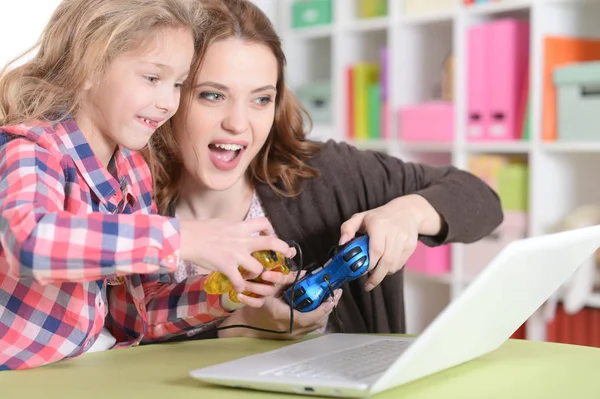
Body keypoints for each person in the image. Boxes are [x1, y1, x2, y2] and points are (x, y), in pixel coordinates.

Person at [147, 0, 504, 340]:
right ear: (171, 95)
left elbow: (481, 198)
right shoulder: (128, 205)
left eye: (261, 99)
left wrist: (407, 214)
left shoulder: (324, 173)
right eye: (212, 95)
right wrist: (239, 326)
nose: (238, 124)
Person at [0, 0, 296, 371]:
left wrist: (225, 292)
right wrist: (182, 238)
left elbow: (140, 314)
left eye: (178, 84)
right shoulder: (32, 149)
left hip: (89, 372)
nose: (168, 103)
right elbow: (28, 243)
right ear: (89, 67)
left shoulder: (133, 171)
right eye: (153, 78)